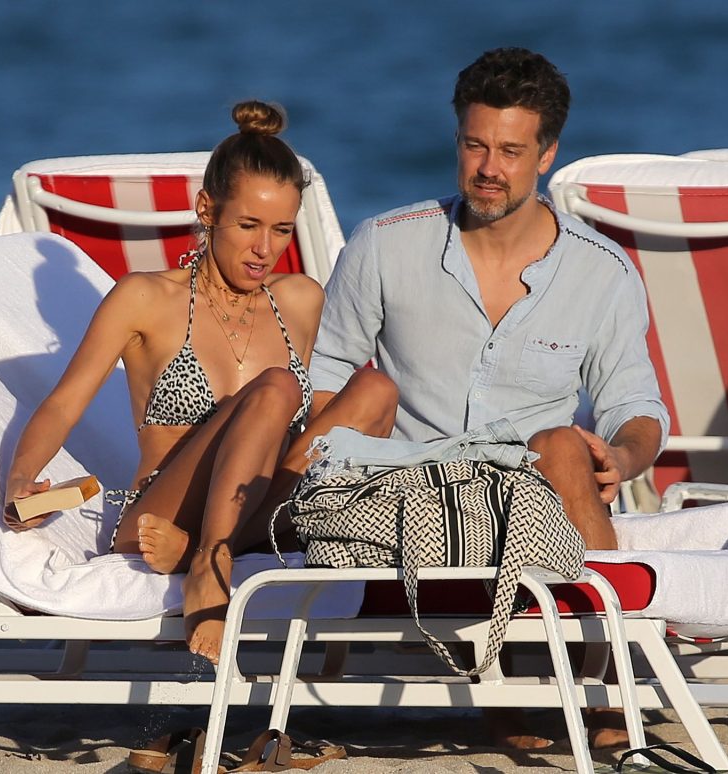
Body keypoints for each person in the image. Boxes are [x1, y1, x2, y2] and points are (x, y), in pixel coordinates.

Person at [268, 47, 670, 747]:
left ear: (547, 155)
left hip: (537, 494)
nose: (489, 168)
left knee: (561, 445)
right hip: (407, 499)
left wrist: (623, 457)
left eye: (511, 151)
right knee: (538, 446)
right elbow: (327, 374)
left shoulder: (602, 271)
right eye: (475, 145)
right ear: (457, 139)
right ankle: (506, 687)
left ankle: (604, 684)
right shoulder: (385, 245)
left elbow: (635, 404)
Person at [3, 100, 323, 666]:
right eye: (248, 225)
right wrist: (22, 479)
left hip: (255, 510)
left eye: (281, 230)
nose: (265, 249)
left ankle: (205, 549)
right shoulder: (145, 298)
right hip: (161, 514)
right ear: (206, 209)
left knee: (375, 395)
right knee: (277, 386)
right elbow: (64, 403)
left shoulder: (300, 299)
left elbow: (305, 435)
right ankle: (210, 562)